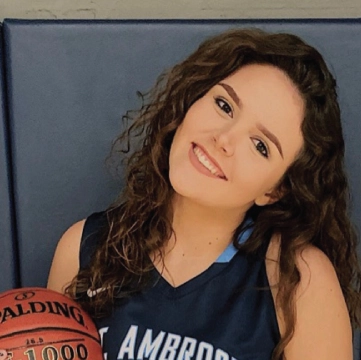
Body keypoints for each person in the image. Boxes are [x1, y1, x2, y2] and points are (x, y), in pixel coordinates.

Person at [47, 28, 361, 360]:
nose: (223, 139)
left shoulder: (297, 280)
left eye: (260, 146)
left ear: (275, 189)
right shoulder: (84, 249)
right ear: (190, 102)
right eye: (224, 105)